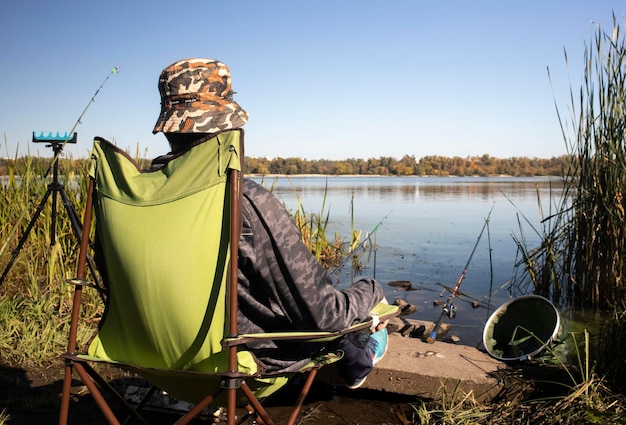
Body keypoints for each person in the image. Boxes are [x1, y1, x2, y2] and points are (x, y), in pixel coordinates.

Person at [150, 58, 388, 388]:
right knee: (346, 315)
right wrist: (370, 290)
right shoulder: (244, 200)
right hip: (238, 365)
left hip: (154, 361)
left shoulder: (132, 195)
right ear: (228, 124)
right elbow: (324, 315)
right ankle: (359, 361)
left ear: (169, 125)